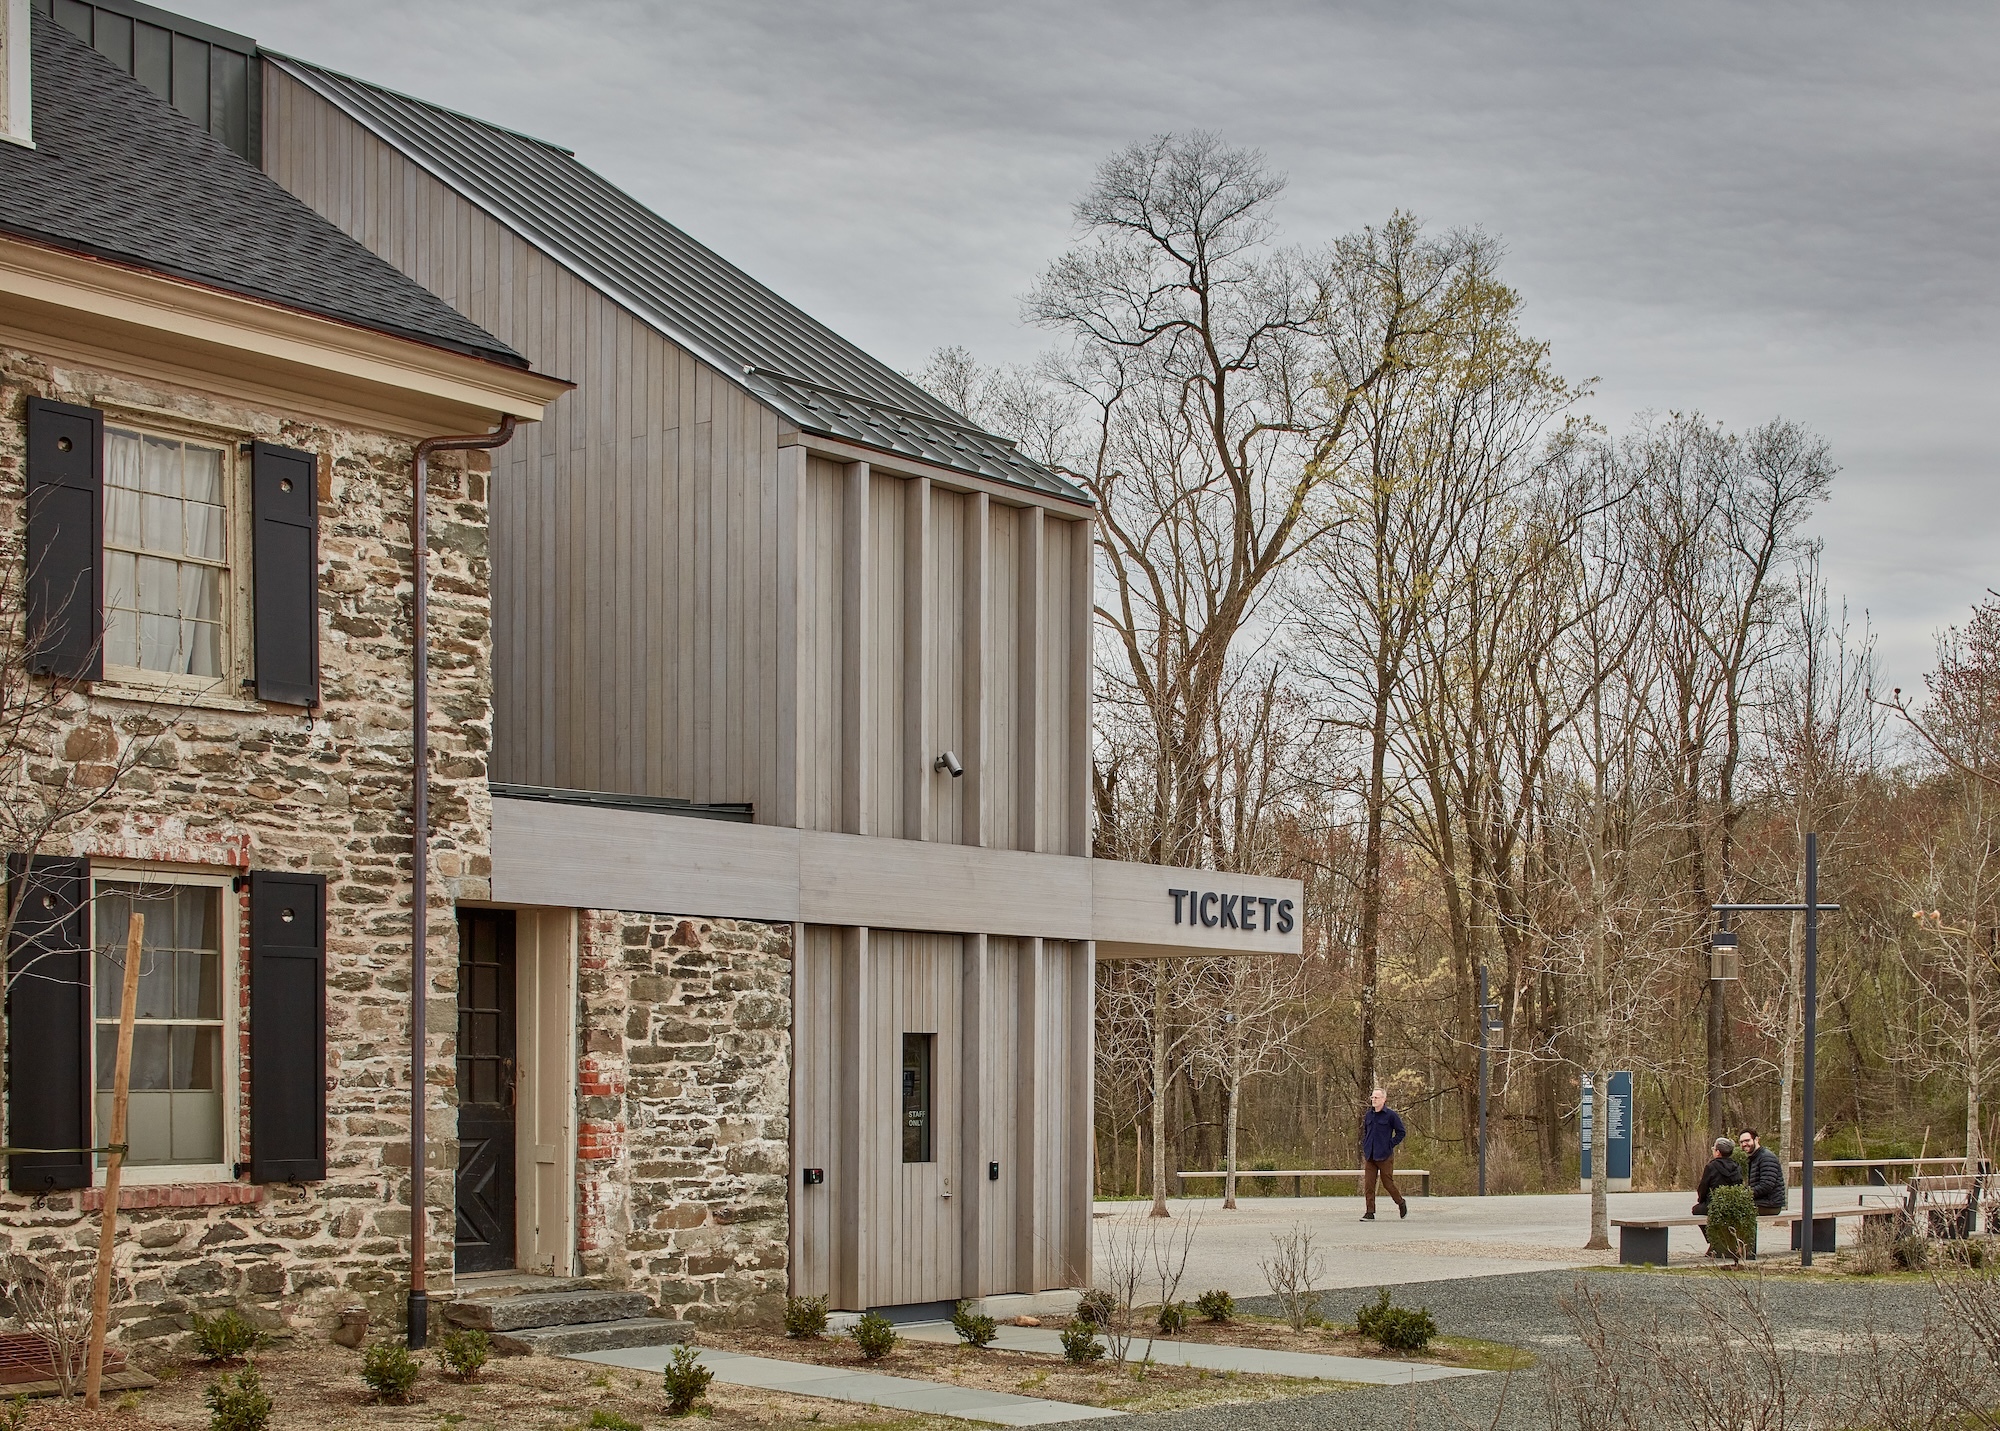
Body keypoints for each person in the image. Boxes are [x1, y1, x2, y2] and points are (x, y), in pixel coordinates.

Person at [1360, 1088, 1409, 1221]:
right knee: (1369, 1185)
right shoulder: (1369, 1115)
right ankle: (1370, 1212)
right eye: (1372, 1097)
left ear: (1383, 1099)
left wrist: (1390, 1144)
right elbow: (1366, 1132)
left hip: (1384, 1155)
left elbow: (1401, 1132)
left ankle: (1400, 1202)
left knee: (1388, 1183)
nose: (1374, 1100)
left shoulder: (1391, 1115)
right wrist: (1366, 1145)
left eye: (1376, 1097)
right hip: (1370, 1155)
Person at [1693, 1137, 1744, 1215]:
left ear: (1718, 1152)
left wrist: (1701, 1201)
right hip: (1733, 1205)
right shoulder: (1737, 1167)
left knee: (1695, 1209)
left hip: (1714, 1204)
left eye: (1714, 1149)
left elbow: (1703, 1188)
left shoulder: (1711, 1167)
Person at [1741, 1128, 1786, 1213]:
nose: (1744, 1144)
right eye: (1741, 1142)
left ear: (1756, 1139)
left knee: (1734, 1210)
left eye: (1747, 1140)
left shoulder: (1766, 1157)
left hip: (1770, 1205)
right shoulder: (1755, 1158)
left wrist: (1744, 1194)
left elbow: (1766, 1185)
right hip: (1761, 1202)